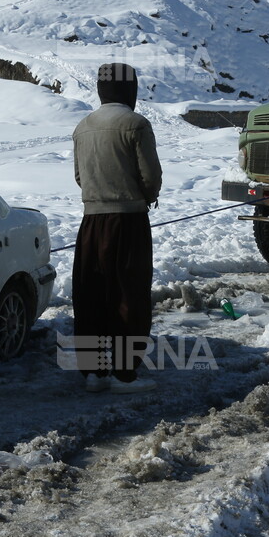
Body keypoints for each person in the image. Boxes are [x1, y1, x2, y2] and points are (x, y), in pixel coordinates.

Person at [72, 63, 163, 394]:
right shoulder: (136, 124)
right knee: (129, 294)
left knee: (91, 295)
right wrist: (147, 197)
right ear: (131, 89)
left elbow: (80, 176)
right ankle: (125, 374)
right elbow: (150, 175)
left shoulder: (82, 127)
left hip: (90, 222)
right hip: (127, 221)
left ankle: (93, 374)